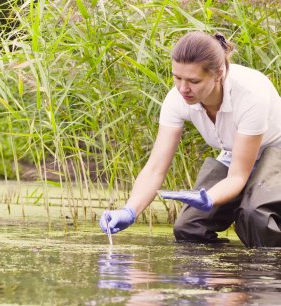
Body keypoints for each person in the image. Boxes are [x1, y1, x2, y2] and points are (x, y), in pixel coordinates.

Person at [99, 31, 281, 248]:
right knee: (188, 227)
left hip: (275, 151)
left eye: (193, 81)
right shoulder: (177, 99)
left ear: (219, 74)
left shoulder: (251, 93)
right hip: (235, 154)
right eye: (177, 77)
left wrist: (210, 198)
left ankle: (266, 277)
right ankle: (222, 278)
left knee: (255, 215)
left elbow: (238, 177)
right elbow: (155, 168)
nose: (183, 89)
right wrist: (129, 210)